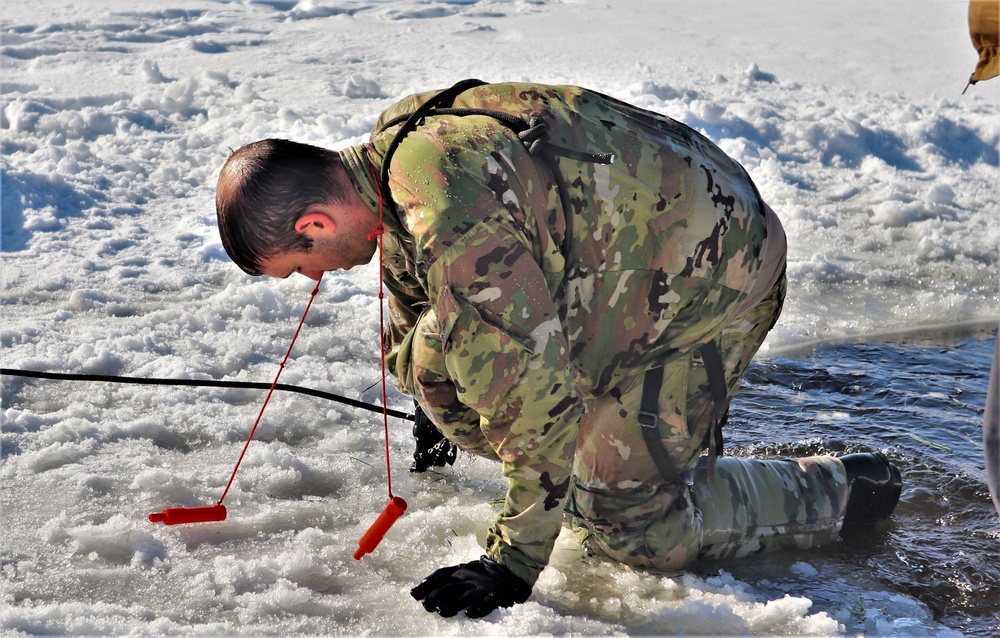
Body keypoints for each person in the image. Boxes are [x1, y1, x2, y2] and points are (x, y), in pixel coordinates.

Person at [215, 80, 902, 618]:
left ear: (314, 222)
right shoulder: (396, 157)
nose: (314, 279)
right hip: (627, 263)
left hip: (715, 281)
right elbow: (418, 283)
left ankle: (839, 490)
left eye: (299, 267)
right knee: (450, 369)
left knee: (624, 525)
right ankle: (624, 455)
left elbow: (533, 405)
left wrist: (511, 563)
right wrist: (434, 395)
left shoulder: (452, 215)